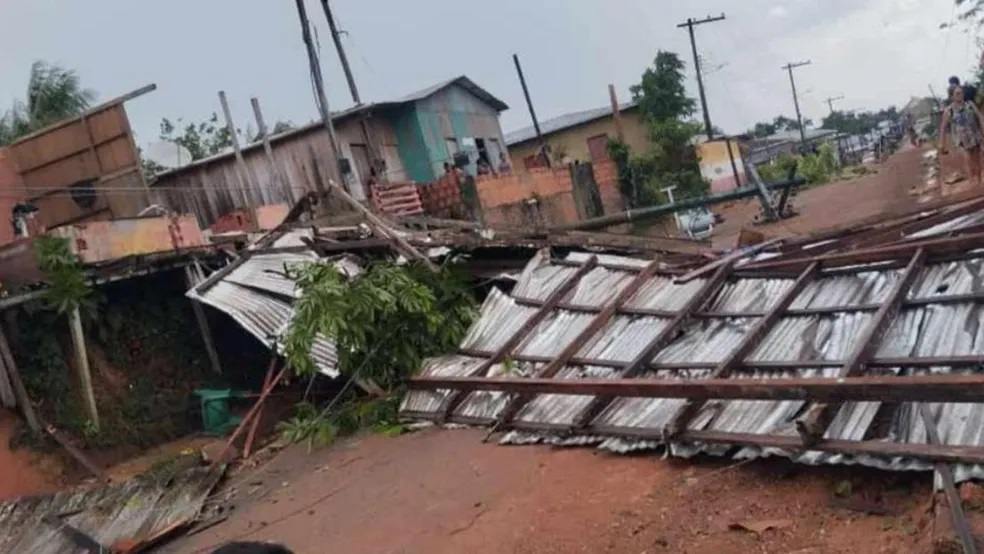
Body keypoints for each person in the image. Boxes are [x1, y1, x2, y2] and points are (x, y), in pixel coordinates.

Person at [939, 84, 984, 187]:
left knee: (977, 161)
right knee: (968, 161)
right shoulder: (949, 111)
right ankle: (972, 182)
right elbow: (943, 128)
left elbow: (979, 117)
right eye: (957, 94)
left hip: (974, 137)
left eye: (961, 93)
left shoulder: (970, 105)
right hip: (961, 141)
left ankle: (979, 181)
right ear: (952, 97)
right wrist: (942, 144)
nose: (960, 95)